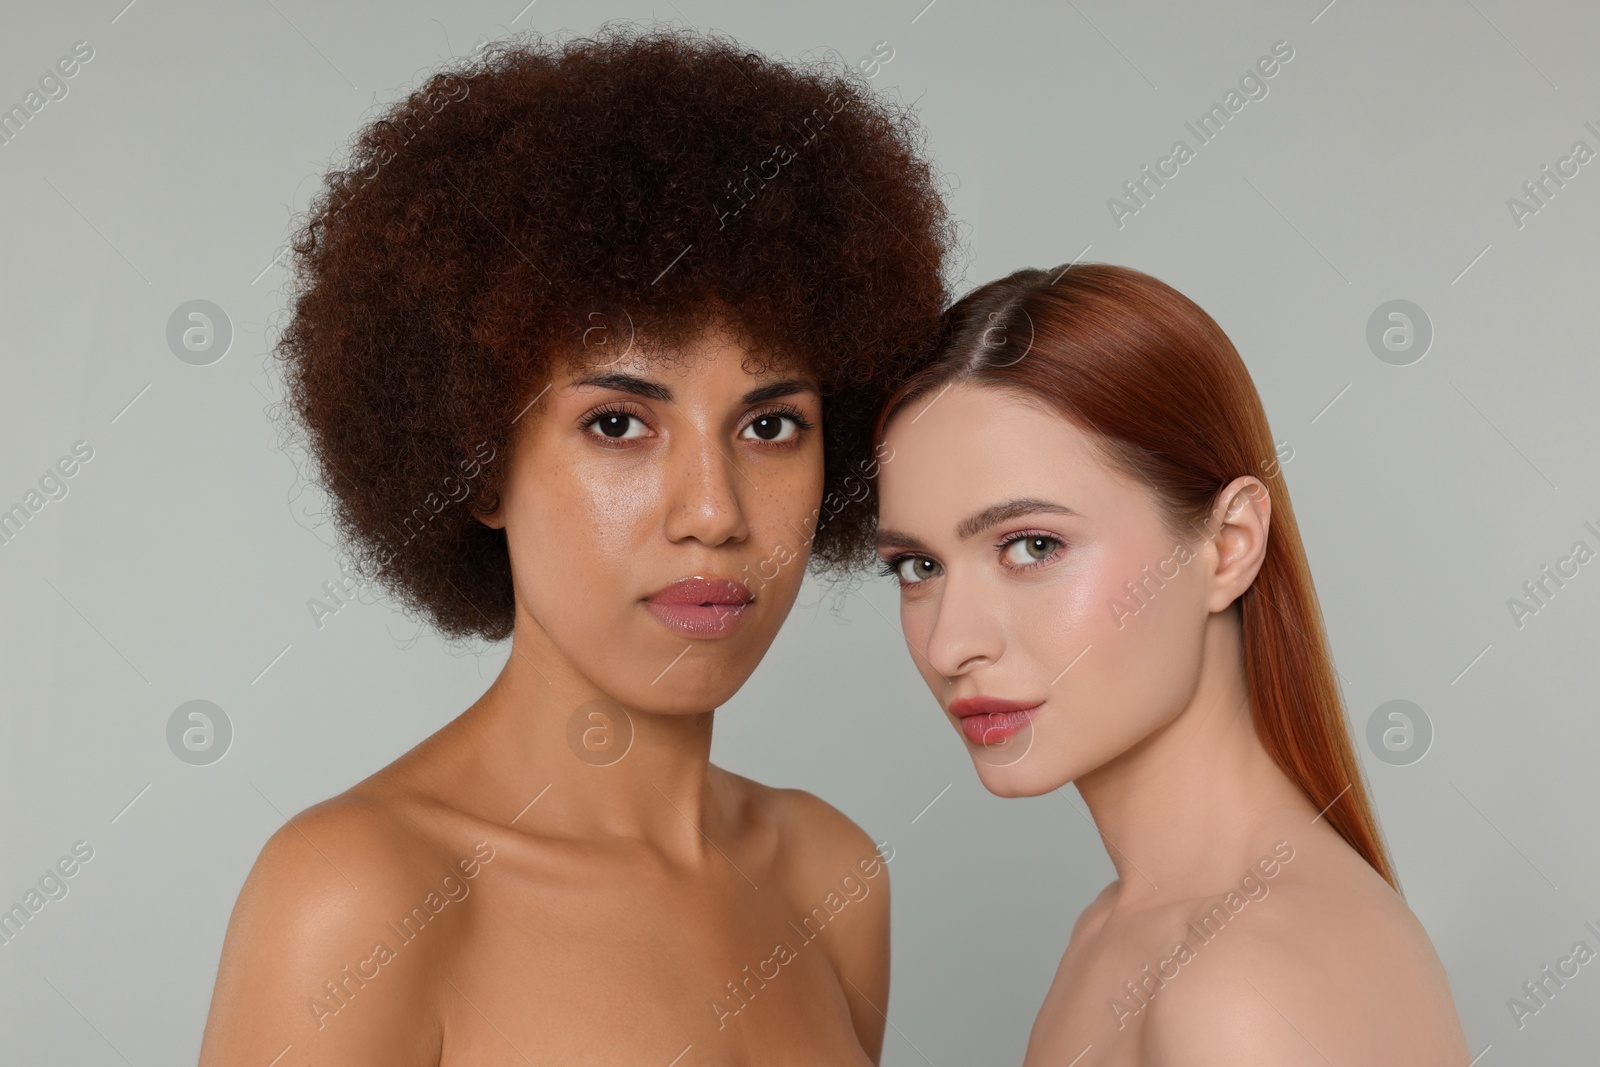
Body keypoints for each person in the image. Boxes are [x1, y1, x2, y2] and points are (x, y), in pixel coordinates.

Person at [198, 25, 953, 1066]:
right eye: (617, 423)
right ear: (479, 466)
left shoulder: (829, 878)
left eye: (770, 424)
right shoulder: (361, 898)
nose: (713, 511)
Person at [870, 263, 1469, 1064]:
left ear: (1228, 546)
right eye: (917, 566)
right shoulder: (1119, 929)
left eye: (1033, 545)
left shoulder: (1239, 991)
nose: (951, 644)